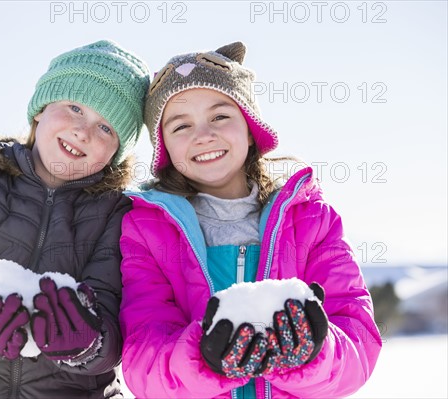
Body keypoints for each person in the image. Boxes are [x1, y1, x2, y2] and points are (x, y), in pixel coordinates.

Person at [119, 42, 382, 398]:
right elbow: (142, 362)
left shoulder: (311, 220)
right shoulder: (147, 232)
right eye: (181, 126)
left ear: (250, 127)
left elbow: (359, 342)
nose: (203, 135)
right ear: (163, 147)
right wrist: (202, 359)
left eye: (220, 116)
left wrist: (314, 353)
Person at [0, 40, 149, 398]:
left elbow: (116, 314)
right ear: (40, 109)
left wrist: (89, 342)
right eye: (74, 107)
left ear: (116, 152)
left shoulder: (117, 214)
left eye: (106, 128)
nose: (83, 131)